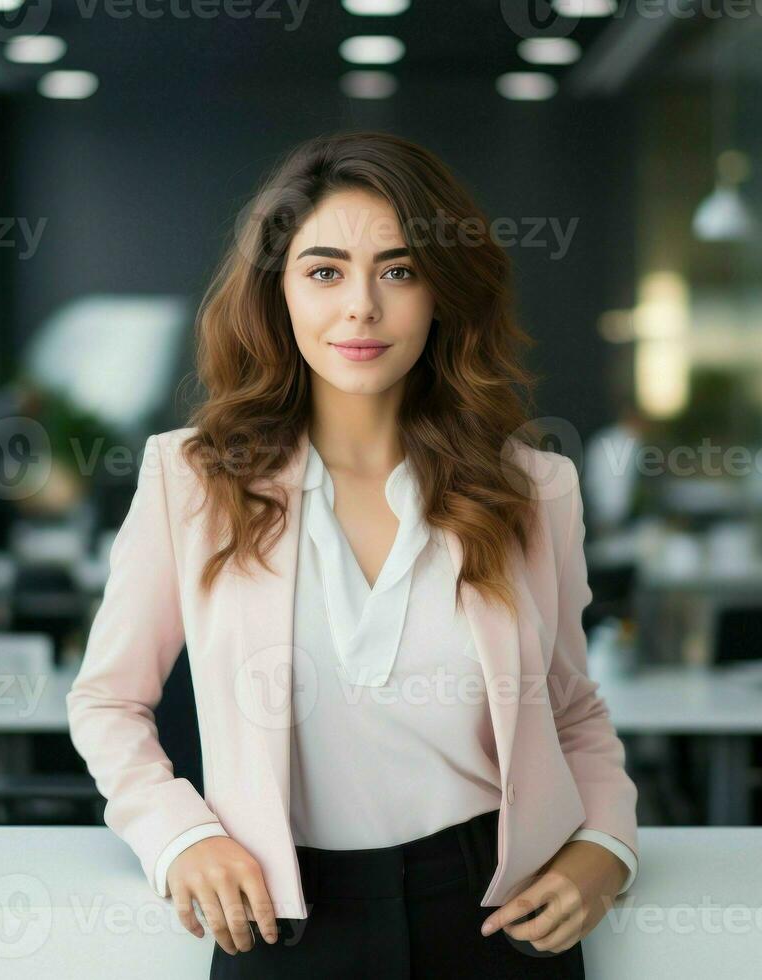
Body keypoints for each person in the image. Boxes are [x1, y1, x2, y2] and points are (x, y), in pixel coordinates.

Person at [66, 131, 639, 979]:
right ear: (278, 293)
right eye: (325, 271)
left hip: (495, 916)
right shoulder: (190, 481)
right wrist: (179, 836)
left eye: (399, 271)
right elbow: (108, 702)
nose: (362, 307)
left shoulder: (533, 488)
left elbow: (571, 710)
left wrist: (606, 846)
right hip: (280, 916)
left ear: (443, 292)